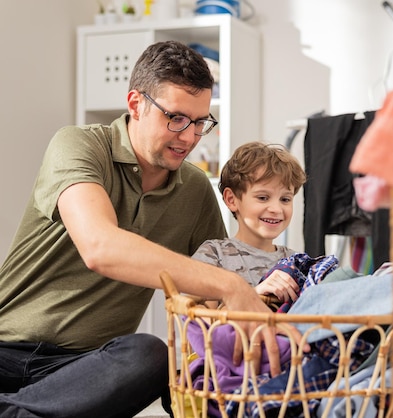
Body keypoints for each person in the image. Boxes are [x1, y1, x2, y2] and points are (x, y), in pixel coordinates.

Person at [0, 40, 296, 418]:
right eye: (175, 118)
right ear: (136, 104)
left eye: (200, 122)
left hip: (84, 369)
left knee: (153, 355)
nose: (189, 136)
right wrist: (231, 285)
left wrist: (264, 298)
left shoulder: (194, 191)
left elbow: (207, 294)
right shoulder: (79, 145)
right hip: (6, 348)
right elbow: (100, 247)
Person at [192, 141, 306, 306]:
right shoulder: (213, 256)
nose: (276, 209)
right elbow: (203, 327)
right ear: (232, 200)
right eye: (262, 197)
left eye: (285, 199)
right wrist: (250, 296)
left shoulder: (296, 263)